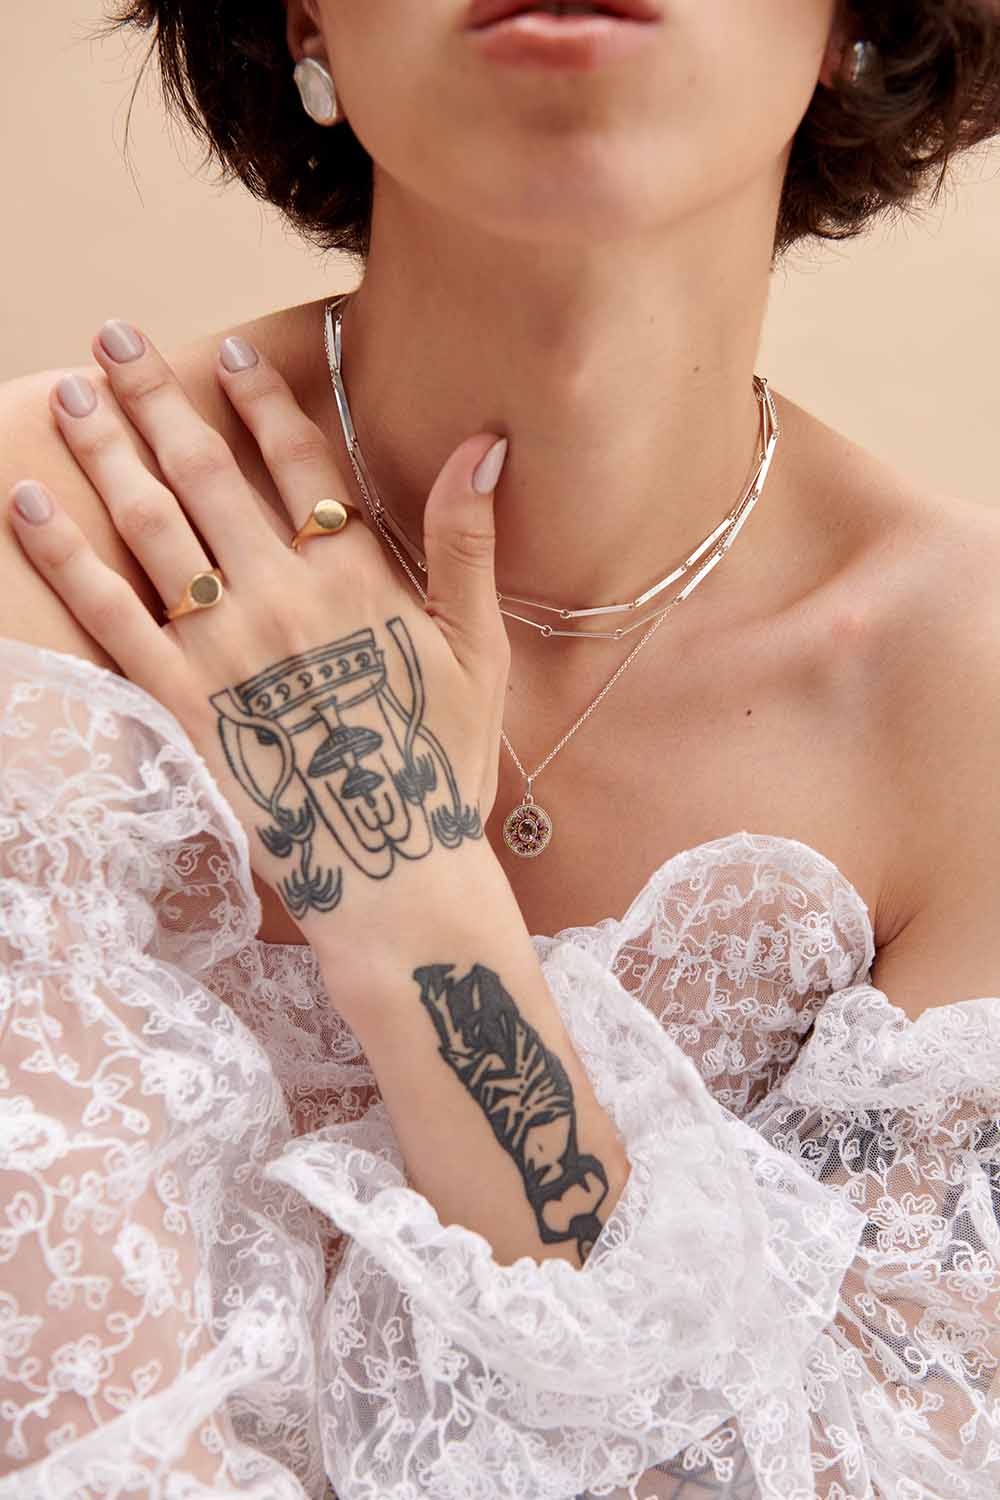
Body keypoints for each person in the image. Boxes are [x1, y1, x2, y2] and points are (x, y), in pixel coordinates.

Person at [2, 1, 1000, 1495]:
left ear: (856, 23)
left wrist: (407, 895)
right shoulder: (42, 563)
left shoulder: (972, 706)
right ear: (306, 17)